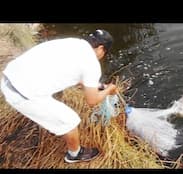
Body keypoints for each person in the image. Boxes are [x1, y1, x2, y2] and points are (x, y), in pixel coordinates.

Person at [0, 29, 117, 163]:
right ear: (101, 48)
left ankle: (49, 117)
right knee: (71, 121)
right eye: (105, 53)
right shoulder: (91, 63)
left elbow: (76, 73)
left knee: (54, 96)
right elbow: (92, 101)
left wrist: (100, 86)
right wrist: (110, 89)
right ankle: (74, 155)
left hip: (8, 77)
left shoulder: (73, 43)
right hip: (21, 95)